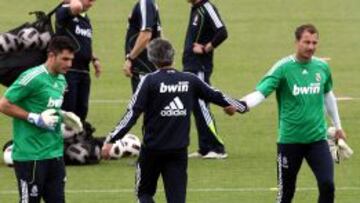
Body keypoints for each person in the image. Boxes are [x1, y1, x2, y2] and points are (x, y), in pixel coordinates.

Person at [102, 38, 247, 203]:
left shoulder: (149, 81)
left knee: (144, 194)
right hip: (178, 152)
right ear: (173, 56)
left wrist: (111, 139)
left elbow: (132, 114)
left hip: (152, 151)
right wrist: (241, 106)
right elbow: (216, 95)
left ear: (151, 58)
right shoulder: (189, 79)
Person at [236, 24, 346, 203]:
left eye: (314, 42)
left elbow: (328, 96)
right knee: (286, 192)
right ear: (296, 42)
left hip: (317, 140)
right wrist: (241, 105)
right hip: (289, 141)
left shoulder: (322, 67)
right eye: (306, 42)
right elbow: (261, 93)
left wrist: (338, 126)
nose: (311, 47)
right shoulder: (283, 68)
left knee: (327, 185)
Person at [0, 36, 76, 203]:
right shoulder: (32, 77)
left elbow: (47, 108)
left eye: (71, 59)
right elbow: (4, 104)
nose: (69, 64)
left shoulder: (62, 80)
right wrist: (33, 117)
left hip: (55, 154)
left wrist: (63, 115)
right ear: (51, 55)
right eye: (65, 59)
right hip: (30, 156)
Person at [183, 0, 229, 159]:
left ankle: (217, 148)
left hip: (199, 67)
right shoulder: (196, 9)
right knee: (195, 105)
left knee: (202, 104)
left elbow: (222, 32)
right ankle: (205, 147)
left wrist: (205, 48)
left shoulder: (207, 8)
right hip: (191, 66)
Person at [56, 0, 102, 122]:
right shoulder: (63, 11)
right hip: (68, 71)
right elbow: (76, 6)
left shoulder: (85, 19)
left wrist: (94, 59)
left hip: (84, 72)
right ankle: (65, 140)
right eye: (89, 0)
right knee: (68, 111)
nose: (92, 4)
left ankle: (77, 139)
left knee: (82, 111)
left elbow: (85, 42)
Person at [123, 0, 162, 93]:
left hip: (143, 67)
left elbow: (146, 34)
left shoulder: (145, 3)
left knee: (141, 105)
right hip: (150, 66)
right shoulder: (151, 4)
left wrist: (130, 59)